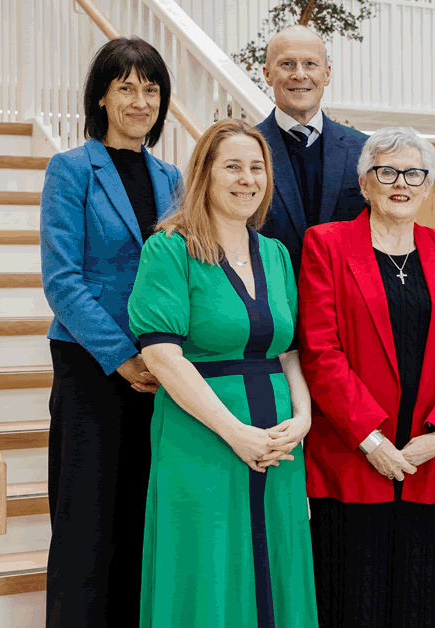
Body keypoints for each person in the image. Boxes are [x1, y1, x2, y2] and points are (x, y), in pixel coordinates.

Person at [129, 119, 315, 626]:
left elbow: (290, 349)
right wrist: (237, 434)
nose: (247, 178)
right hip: (204, 436)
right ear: (204, 175)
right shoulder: (169, 248)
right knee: (207, 565)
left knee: (277, 560)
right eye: (232, 166)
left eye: (257, 167)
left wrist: (303, 417)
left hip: (278, 440)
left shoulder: (275, 253)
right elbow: (163, 357)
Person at [297, 128, 435, 628]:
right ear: (365, 182)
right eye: (387, 171)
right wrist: (370, 439)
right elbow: (320, 350)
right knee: (352, 600)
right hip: (352, 456)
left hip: (426, 458)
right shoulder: (327, 244)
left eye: (414, 173)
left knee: (424, 600)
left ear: (427, 186)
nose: (401, 183)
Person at [39, 38, 181, 628]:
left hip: (164, 369)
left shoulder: (172, 176)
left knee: (143, 517)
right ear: (102, 95)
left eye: (150, 89)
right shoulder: (72, 169)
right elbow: (63, 281)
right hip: (92, 366)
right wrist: (123, 358)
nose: (140, 100)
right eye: (126, 87)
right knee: (86, 522)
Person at [255, 25, 370, 268]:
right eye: (287, 64)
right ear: (266, 74)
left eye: (310, 64)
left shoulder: (363, 150)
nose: (299, 75)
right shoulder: (246, 149)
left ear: (327, 73)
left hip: (343, 301)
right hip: (268, 300)